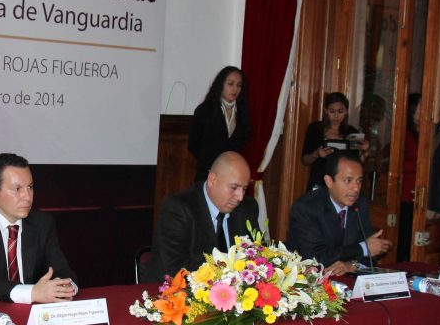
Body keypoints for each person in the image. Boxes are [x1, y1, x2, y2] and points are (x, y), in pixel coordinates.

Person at [0, 153, 78, 303]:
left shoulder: (42, 222)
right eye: (17, 189)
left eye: (30, 187)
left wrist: (65, 286)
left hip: (31, 313)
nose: (27, 197)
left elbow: (60, 267)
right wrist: (31, 293)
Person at [143, 151, 260, 283]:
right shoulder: (178, 208)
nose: (240, 197)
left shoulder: (247, 208)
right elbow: (176, 269)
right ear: (212, 180)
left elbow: (256, 256)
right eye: (234, 187)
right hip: (176, 294)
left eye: (244, 189)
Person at [286, 150, 392, 276]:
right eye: (348, 180)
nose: (356, 188)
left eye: (359, 181)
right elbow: (314, 257)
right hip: (307, 281)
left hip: (345, 279)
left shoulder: (360, 204)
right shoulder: (306, 208)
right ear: (329, 181)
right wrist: (362, 248)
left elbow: (372, 250)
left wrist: (352, 265)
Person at [188, 66, 251, 182]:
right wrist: (209, 160)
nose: (235, 89)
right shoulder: (205, 110)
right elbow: (193, 143)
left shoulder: (243, 112)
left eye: (239, 85)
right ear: (221, 84)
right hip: (208, 172)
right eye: (230, 84)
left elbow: (243, 143)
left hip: (232, 174)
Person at [300, 92, 367, 192]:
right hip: (319, 180)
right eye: (332, 111)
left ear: (346, 111)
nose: (336, 116)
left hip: (343, 183)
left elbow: (357, 163)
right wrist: (317, 154)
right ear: (326, 110)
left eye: (340, 111)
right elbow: (305, 160)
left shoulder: (352, 132)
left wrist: (365, 151)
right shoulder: (315, 129)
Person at [397, 93, 421, 262]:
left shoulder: (428, 132)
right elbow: (399, 163)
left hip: (423, 192)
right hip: (407, 191)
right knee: (405, 235)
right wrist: (420, 167)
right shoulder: (406, 134)